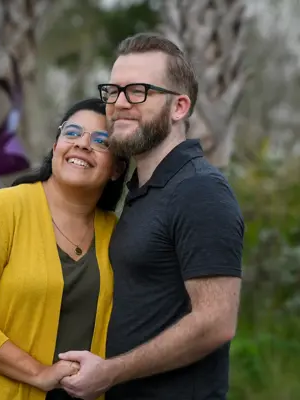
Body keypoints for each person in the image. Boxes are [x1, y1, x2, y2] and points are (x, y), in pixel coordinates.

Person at [58, 33, 245, 400]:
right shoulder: (143, 190)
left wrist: (110, 372)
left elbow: (216, 323)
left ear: (179, 108)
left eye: (138, 91)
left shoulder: (200, 191)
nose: (120, 103)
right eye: (113, 91)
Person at [0, 98, 128, 400]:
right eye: (72, 133)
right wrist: (39, 373)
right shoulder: (3, 209)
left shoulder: (117, 233)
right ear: (56, 147)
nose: (82, 145)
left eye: (101, 140)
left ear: (117, 168)